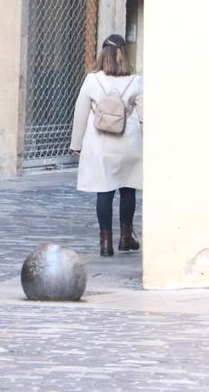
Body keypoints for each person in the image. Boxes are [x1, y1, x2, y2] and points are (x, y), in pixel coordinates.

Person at [70, 34, 143, 257]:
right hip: (127, 141)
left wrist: (76, 144)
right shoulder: (135, 80)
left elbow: (81, 114)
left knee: (104, 190)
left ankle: (105, 242)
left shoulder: (92, 80)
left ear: (103, 54)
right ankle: (125, 237)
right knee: (127, 188)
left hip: (99, 142)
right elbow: (144, 115)